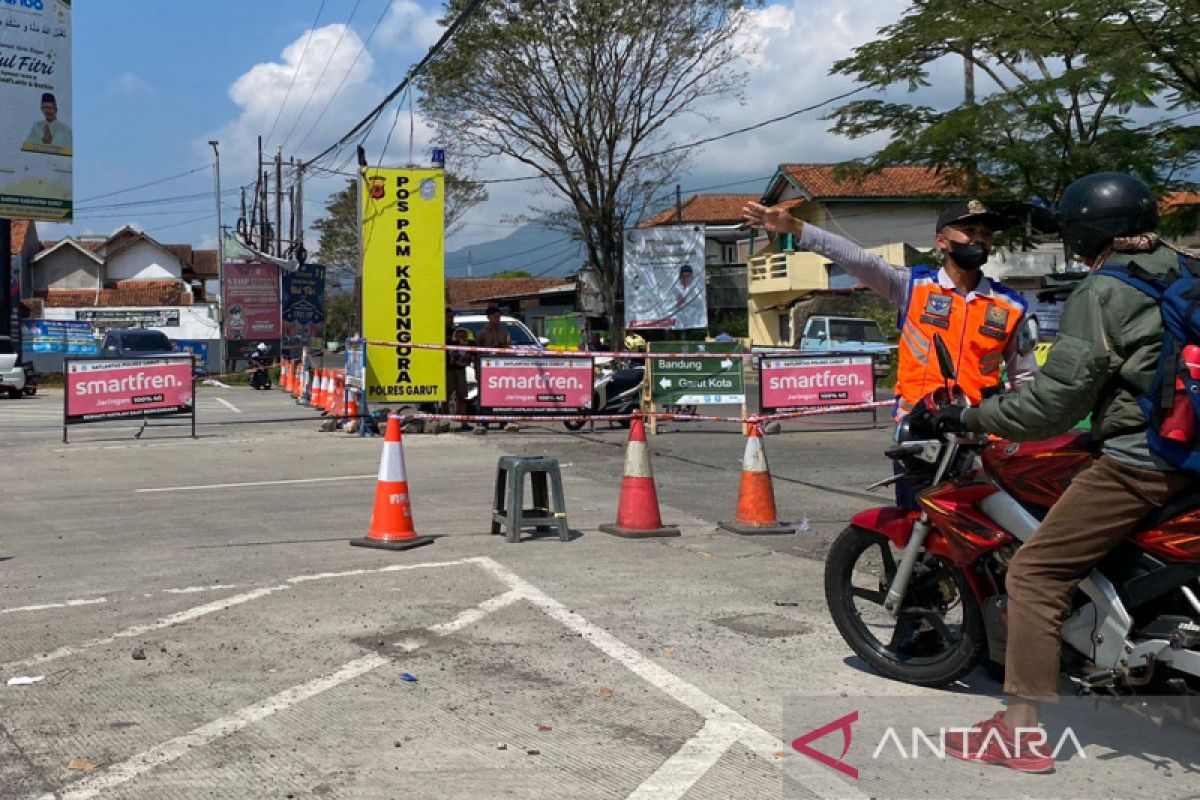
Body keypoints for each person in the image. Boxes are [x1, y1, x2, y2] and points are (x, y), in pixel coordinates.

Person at [929, 172, 1199, 772]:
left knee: (1036, 573)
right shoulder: (1186, 267)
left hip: (1145, 463)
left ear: (1084, 230)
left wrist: (972, 415)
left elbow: (1055, 403)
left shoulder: (1103, 291)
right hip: (1192, 451)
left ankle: (1020, 731)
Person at [742, 197, 1036, 504]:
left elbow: (1025, 380)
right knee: (915, 525)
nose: (978, 240)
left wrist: (1022, 435)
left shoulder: (1011, 306)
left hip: (980, 433)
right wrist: (796, 228)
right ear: (941, 241)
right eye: (969, 231)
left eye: (986, 234)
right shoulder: (912, 285)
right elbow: (856, 259)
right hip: (920, 429)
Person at [474, 305, 515, 434]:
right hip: (485, 370)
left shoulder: (504, 332)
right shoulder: (481, 334)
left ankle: (503, 420)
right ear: (489, 317)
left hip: (501, 370)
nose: (497, 319)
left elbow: (508, 347)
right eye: (495, 317)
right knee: (485, 396)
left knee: (501, 395)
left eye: (499, 317)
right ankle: (483, 421)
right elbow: (475, 352)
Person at [446, 327, 474, 431]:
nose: (462, 338)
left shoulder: (469, 345)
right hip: (448, 371)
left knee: (462, 396)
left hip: (461, 371)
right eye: (459, 336)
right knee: (447, 396)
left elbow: (468, 359)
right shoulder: (450, 344)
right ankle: (446, 421)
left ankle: (464, 422)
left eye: (464, 336)